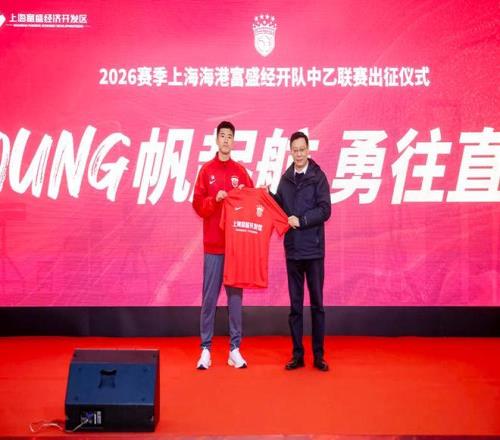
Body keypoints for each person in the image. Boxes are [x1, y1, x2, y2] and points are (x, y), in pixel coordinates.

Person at [192, 121, 254, 370]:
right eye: (223, 136)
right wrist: (214, 200)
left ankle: (234, 349)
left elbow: (252, 202)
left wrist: (259, 194)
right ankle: (205, 349)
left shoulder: (241, 172)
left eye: (230, 136)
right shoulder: (207, 170)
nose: (226, 140)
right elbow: (198, 205)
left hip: (236, 248)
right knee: (209, 299)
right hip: (213, 247)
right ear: (217, 140)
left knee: (235, 300)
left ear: (233, 141)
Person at [273, 131, 331, 371]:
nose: (298, 154)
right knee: (295, 307)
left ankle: (319, 355)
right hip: (293, 251)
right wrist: (266, 195)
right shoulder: (286, 179)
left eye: (302, 149)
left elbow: (325, 210)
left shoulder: (318, 176)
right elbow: (278, 207)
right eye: (295, 150)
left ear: (308, 150)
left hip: (314, 251)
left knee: (317, 305)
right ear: (291, 152)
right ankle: (297, 355)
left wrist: (303, 220)